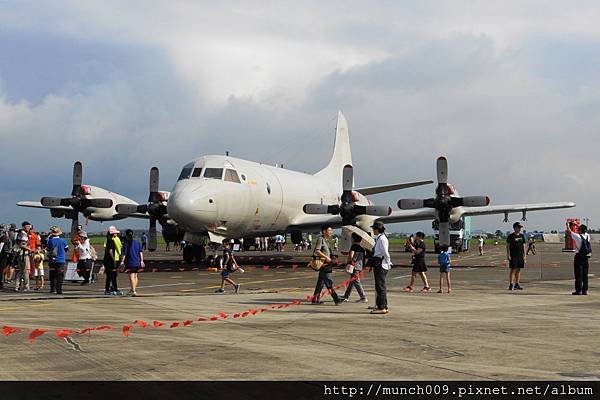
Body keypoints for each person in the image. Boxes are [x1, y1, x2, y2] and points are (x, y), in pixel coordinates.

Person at [311, 225, 342, 305]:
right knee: (329, 282)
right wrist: (326, 257)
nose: (331, 232)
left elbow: (325, 251)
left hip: (327, 264)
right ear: (324, 231)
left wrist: (332, 256)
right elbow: (317, 251)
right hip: (324, 265)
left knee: (320, 283)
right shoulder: (320, 239)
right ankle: (336, 299)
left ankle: (314, 299)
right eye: (329, 231)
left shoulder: (326, 240)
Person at [369, 222, 392, 314]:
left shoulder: (382, 239)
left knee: (380, 286)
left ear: (377, 229)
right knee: (378, 286)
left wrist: (388, 262)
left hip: (381, 264)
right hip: (379, 263)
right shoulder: (379, 238)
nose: (373, 230)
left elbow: (385, 253)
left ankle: (383, 307)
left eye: (373, 229)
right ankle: (380, 305)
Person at [565, 222, 592, 295]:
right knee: (585, 275)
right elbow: (583, 230)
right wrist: (576, 224)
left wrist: (568, 225)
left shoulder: (577, 236)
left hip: (579, 257)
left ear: (580, 230)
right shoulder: (587, 236)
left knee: (578, 275)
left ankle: (578, 290)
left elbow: (569, 231)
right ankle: (585, 290)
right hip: (586, 257)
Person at [341, 233, 368, 303]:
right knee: (352, 282)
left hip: (354, 267)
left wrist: (348, 261)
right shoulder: (362, 248)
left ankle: (363, 297)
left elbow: (351, 257)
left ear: (353, 239)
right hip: (360, 266)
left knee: (356, 281)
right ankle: (346, 296)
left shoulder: (353, 246)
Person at [120, 229, 144, 296]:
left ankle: (133, 290)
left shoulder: (126, 244)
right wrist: (142, 260)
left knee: (131, 276)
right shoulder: (137, 242)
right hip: (137, 261)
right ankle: (133, 289)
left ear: (126, 235)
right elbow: (140, 252)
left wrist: (122, 262)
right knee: (135, 276)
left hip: (130, 262)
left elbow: (124, 254)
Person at [47, 227, 68, 294]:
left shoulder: (50, 240)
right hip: (61, 260)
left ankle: (52, 289)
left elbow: (48, 249)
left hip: (52, 261)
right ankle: (59, 289)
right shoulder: (63, 240)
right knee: (60, 275)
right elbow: (66, 249)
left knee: (52, 275)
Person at [506, 222, 527, 290]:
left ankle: (517, 284)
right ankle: (511, 284)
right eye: (519, 227)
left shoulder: (522, 236)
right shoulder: (511, 236)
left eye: (520, 227)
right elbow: (508, 246)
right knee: (513, 269)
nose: (520, 229)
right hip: (513, 255)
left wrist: (525, 255)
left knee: (518, 270)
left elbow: (524, 245)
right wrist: (508, 255)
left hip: (520, 255)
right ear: (515, 228)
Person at [103, 226, 123, 295]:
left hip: (106, 261)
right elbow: (111, 251)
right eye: (115, 233)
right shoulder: (112, 241)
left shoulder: (107, 240)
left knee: (109, 276)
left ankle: (107, 289)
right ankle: (115, 289)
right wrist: (114, 260)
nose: (116, 234)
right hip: (111, 261)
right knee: (113, 275)